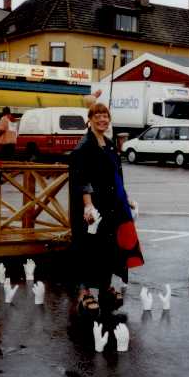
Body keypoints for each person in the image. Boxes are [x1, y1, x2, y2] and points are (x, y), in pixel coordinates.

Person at [69, 102, 143, 317]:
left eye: (105, 116)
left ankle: (104, 287)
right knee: (87, 248)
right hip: (92, 207)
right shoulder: (83, 147)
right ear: (89, 119)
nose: (102, 120)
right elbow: (81, 178)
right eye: (98, 116)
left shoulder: (110, 144)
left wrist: (126, 198)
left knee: (109, 247)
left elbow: (117, 175)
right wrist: (88, 205)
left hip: (112, 205)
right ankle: (84, 292)